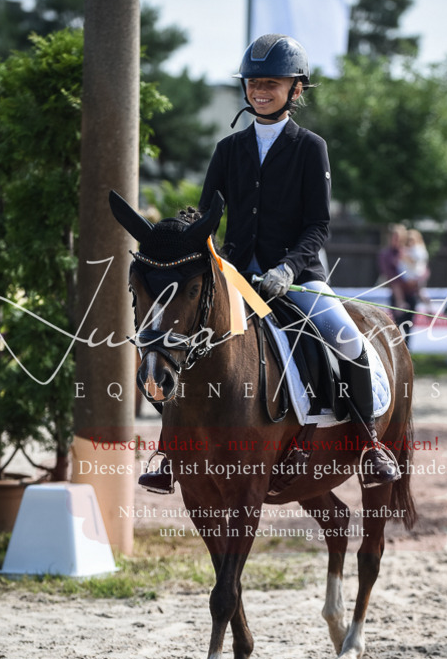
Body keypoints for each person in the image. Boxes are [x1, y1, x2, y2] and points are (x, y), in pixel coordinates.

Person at [139, 33, 400, 493]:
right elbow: (204, 218)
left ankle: (370, 443)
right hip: (234, 277)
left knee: (349, 341)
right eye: (255, 82)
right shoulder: (228, 150)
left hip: (296, 278)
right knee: (180, 343)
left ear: (295, 89)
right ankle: (168, 450)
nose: (261, 90)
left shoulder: (309, 147)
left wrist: (287, 269)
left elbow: (318, 225)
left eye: (272, 83)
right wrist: (179, 242)